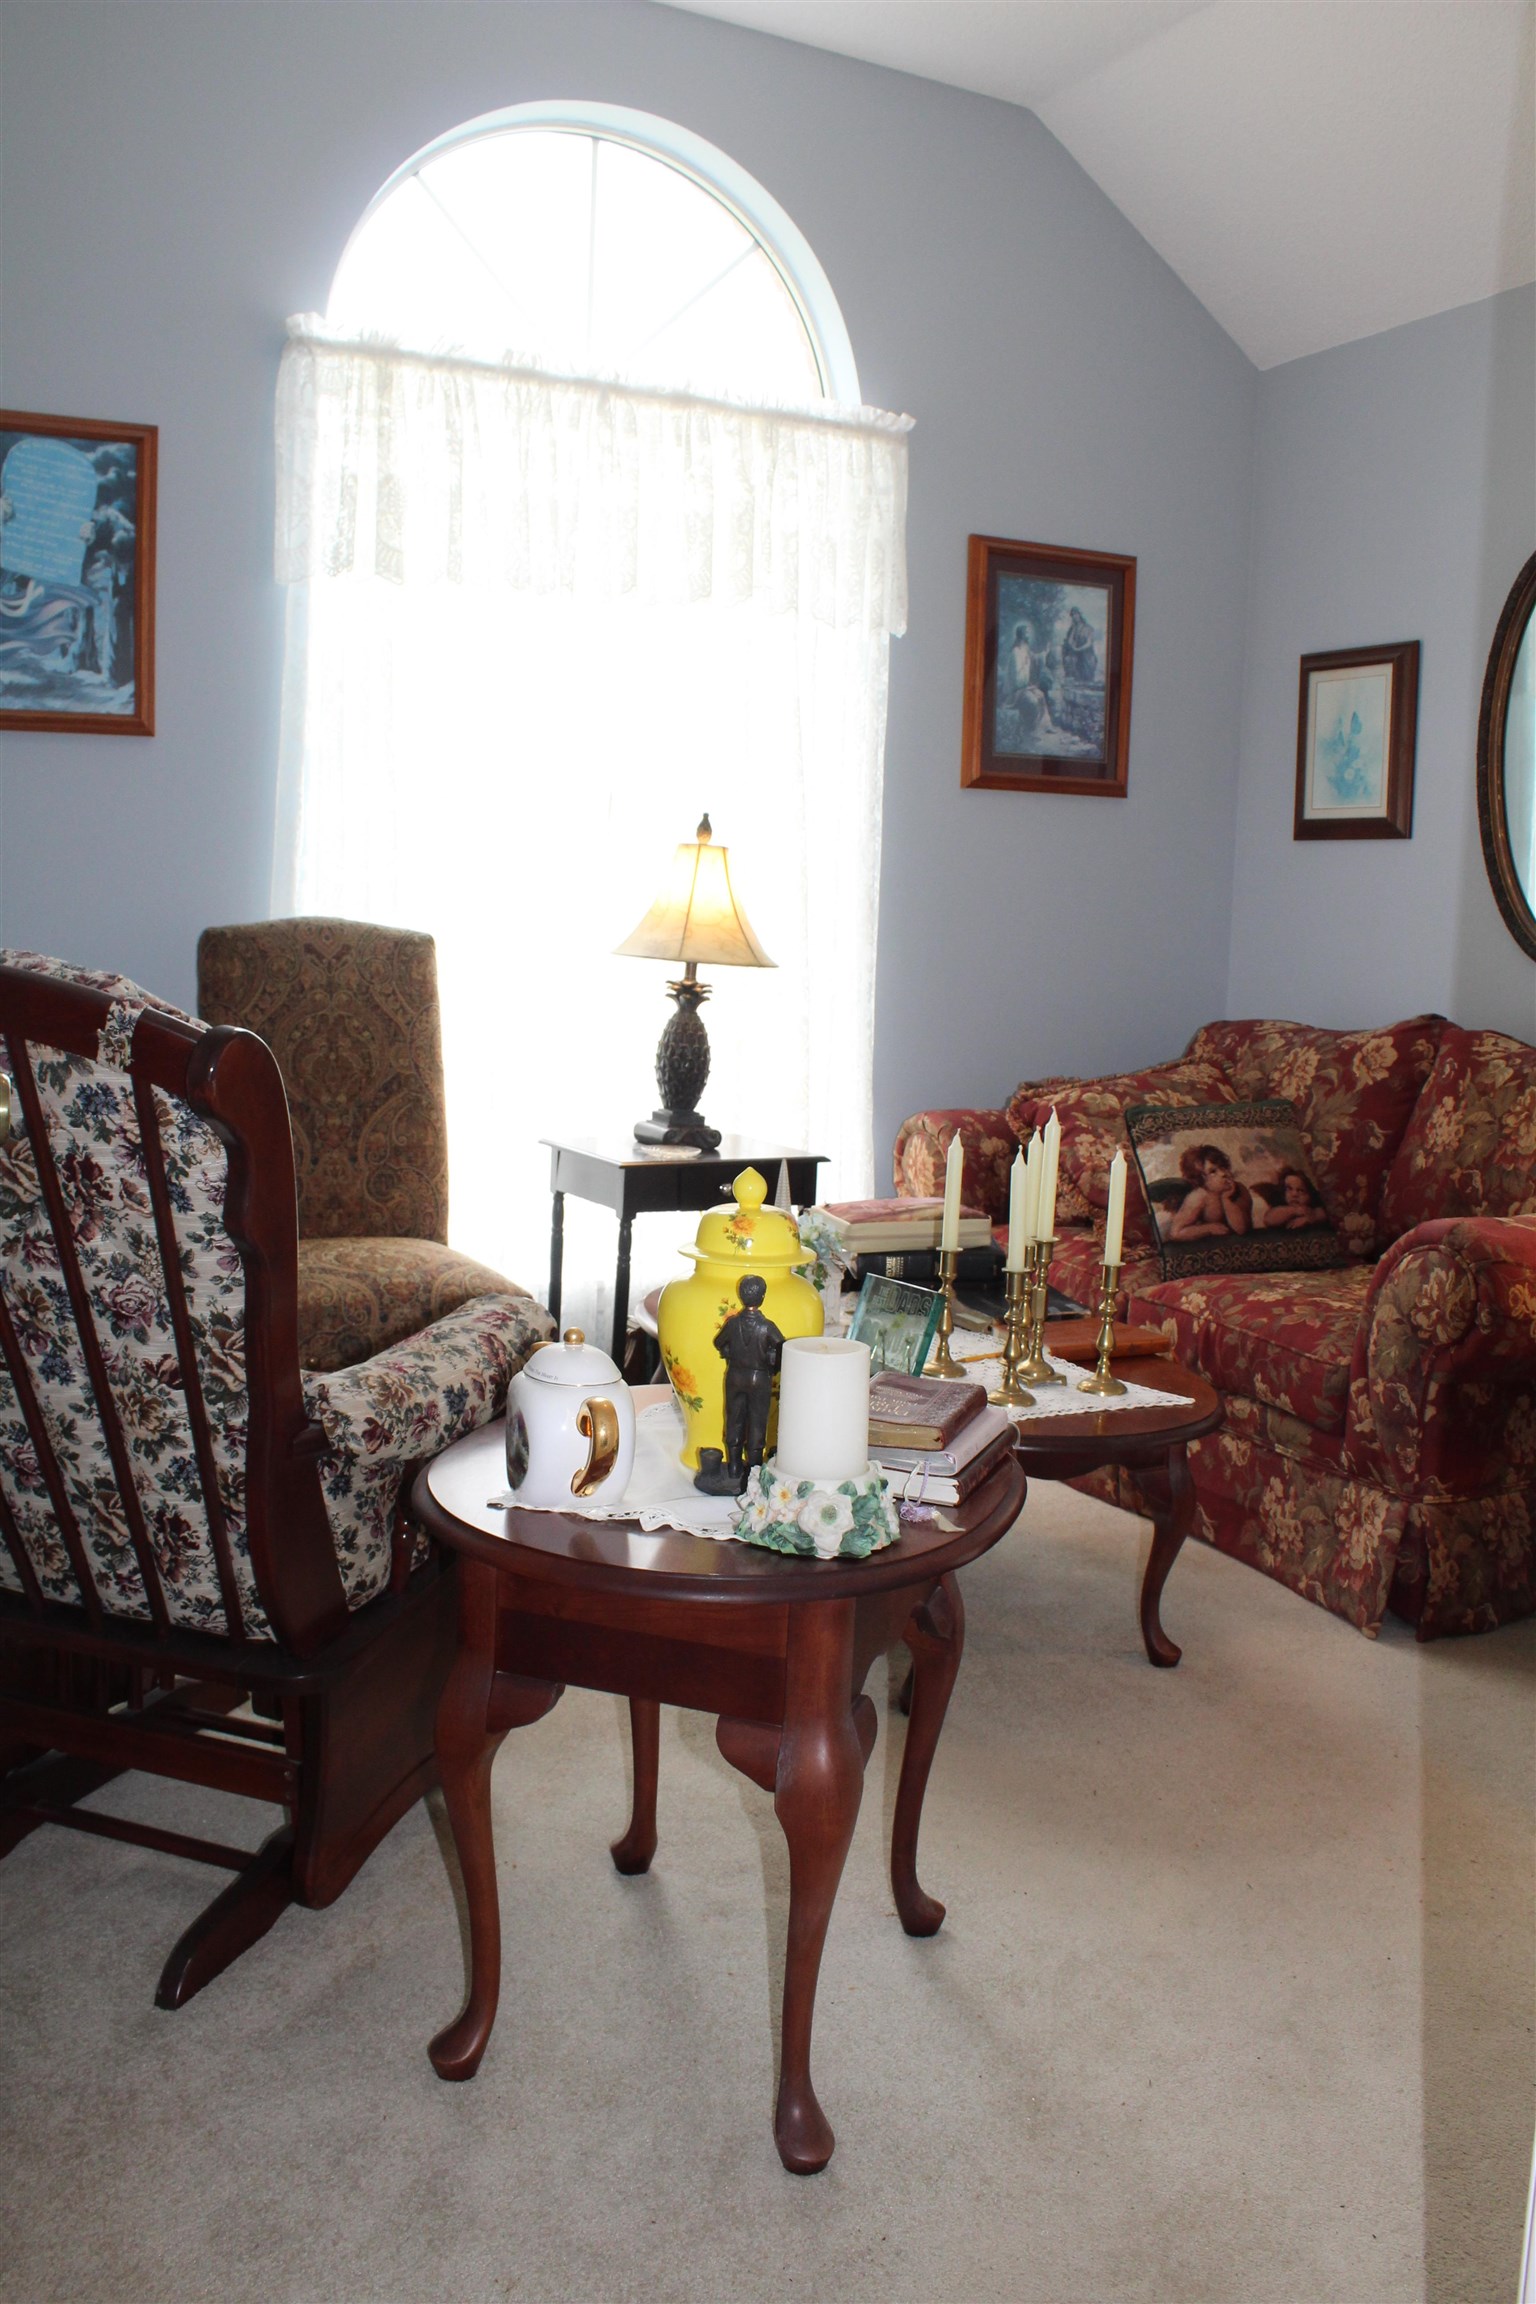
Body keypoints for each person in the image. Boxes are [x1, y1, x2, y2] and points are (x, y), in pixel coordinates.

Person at [1168, 1143, 1252, 1240]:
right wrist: (1208, 1228)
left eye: (1223, 1167)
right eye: (1213, 1172)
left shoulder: (1240, 1189)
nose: (1223, 1173)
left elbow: (1241, 1229)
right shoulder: (1199, 1197)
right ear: (1200, 1180)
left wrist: (1226, 1199)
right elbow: (1176, 1232)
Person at [1259, 1168, 1328, 1230]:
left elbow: (1324, 1212)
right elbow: (1269, 1219)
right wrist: (1296, 1210)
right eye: (1289, 1189)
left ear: (1310, 1194)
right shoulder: (1280, 1204)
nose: (1294, 1195)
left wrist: (1310, 1218)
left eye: (1301, 1190)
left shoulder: (1314, 1206)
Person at [1062, 605, 1098, 686]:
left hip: (1087, 655)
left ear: (1080, 615)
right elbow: (1069, 641)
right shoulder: (1072, 628)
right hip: (1076, 655)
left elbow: (1089, 643)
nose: (1074, 616)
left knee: (1087, 676)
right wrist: (1072, 647)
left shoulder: (1088, 628)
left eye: (1076, 614)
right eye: (1073, 615)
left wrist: (1078, 649)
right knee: (1074, 672)